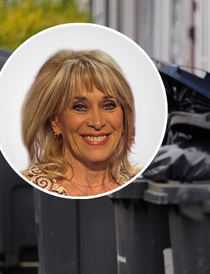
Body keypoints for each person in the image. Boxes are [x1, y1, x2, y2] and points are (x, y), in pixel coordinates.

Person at [21, 49, 138, 197]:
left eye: (108, 105)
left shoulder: (139, 187)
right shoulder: (27, 189)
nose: (97, 122)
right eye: (80, 107)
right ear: (55, 120)